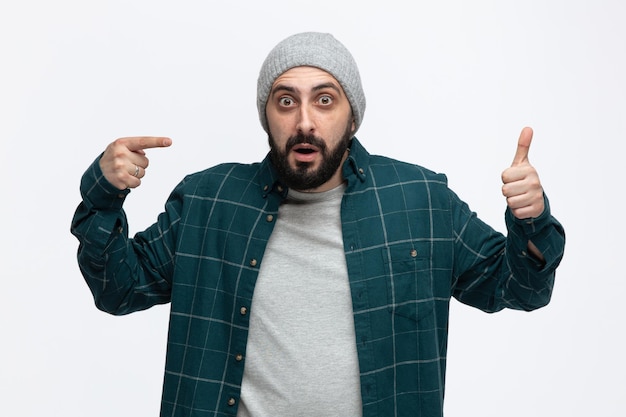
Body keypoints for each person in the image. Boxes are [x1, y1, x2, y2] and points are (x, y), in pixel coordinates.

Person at [71, 32, 565, 417]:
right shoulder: (209, 201)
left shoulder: (420, 201)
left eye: (324, 100)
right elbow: (119, 289)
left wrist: (531, 220)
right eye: (286, 101)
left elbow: (518, 288)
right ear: (267, 116)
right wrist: (105, 192)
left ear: (352, 117)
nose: (304, 120)